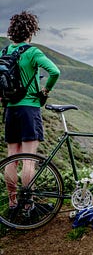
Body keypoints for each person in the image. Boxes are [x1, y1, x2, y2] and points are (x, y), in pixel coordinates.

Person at [3, 11, 60, 209]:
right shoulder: (33, 52)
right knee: (28, 159)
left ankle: (12, 201)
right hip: (30, 108)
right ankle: (28, 204)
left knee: (12, 157)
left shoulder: (4, 52)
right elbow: (55, 71)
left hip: (10, 109)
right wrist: (45, 90)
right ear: (31, 31)